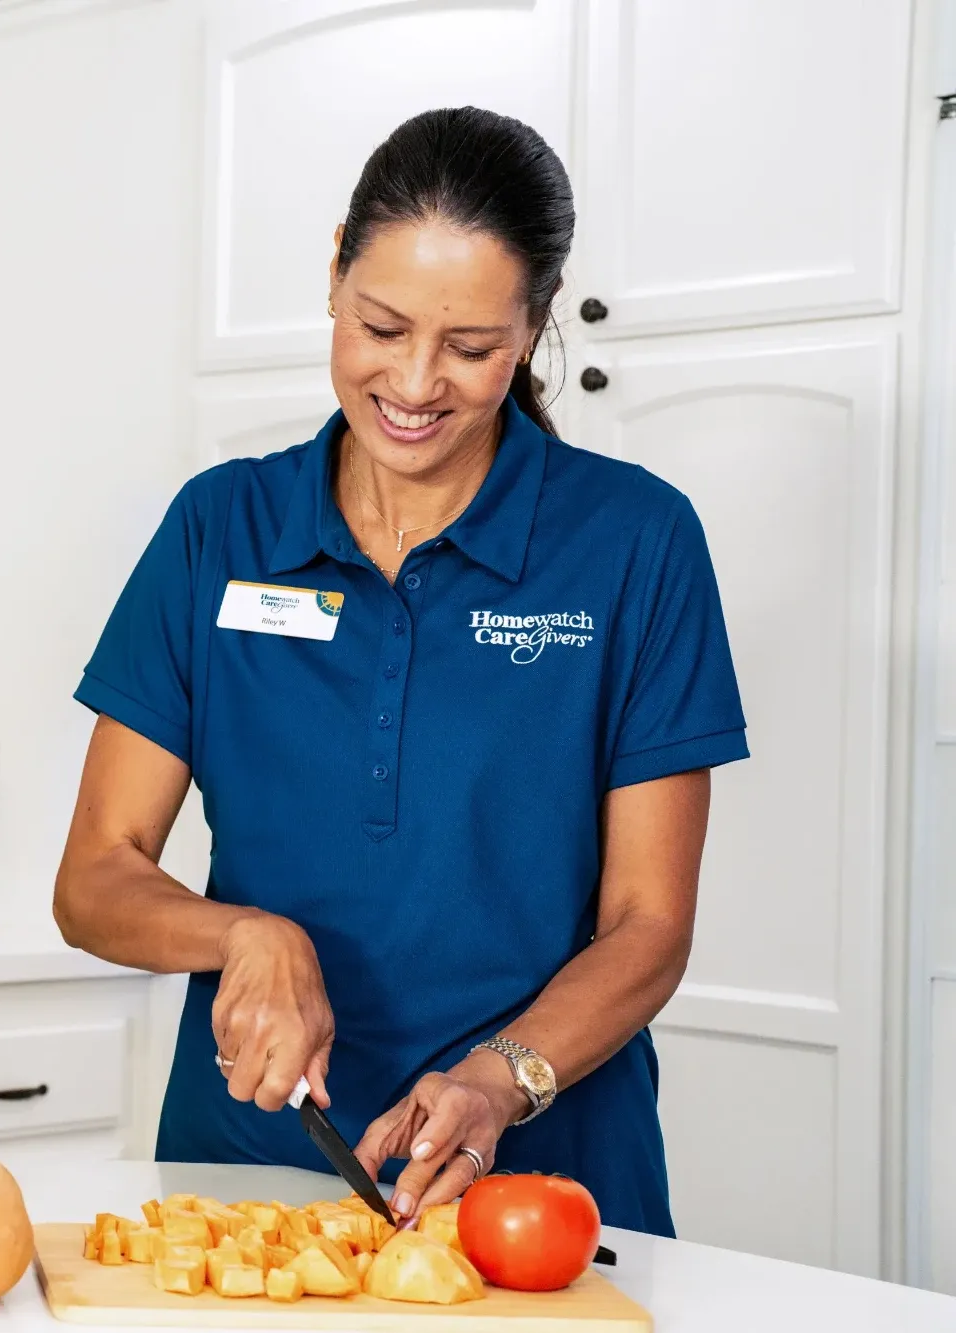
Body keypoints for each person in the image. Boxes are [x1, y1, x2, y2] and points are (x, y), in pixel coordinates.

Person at [53, 106, 745, 1235]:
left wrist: (497, 1079)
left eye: (470, 348)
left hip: (540, 1187)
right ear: (332, 270)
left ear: (529, 330)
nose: (415, 383)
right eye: (379, 325)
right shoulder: (216, 528)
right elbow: (93, 878)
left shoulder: (634, 542)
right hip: (253, 1174)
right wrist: (243, 933)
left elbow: (647, 923)